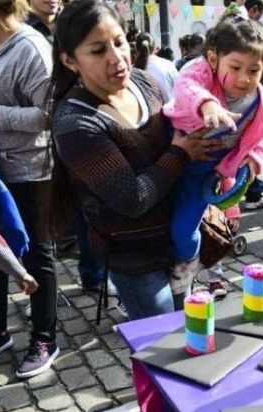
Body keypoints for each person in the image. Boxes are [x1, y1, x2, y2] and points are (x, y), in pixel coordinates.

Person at [50, 0, 214, 320]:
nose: (117, 58)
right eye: (98, 51)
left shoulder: (144, 81)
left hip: (180, 238)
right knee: (161, 343)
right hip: (134, 257)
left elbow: (182, 128)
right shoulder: (76, 122)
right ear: (70, 60)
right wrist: (180, 153)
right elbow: (132, 198)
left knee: (188, 327)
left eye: (119, 42)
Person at [162, 21, 263, 298]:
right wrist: (207, 103)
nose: (244, 78)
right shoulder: (200, 72)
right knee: (154, 221)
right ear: (213, 59)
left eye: (254, 70)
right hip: (166, 152)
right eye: (235, 67)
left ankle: (187, 264)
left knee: (182, 230)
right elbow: (187, 85)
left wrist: (253, 161)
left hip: (204, 171)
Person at [0, 0, 60, 378]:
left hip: (32, 171)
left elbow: (52, 112)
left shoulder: (30, 48)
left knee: (38, 252)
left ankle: (45, 337)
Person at [134, 32, 178, 103]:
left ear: (136, 49)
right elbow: (178, 89)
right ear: (155, 48)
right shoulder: (168, 64)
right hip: (170, 110)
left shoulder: (132, 71)